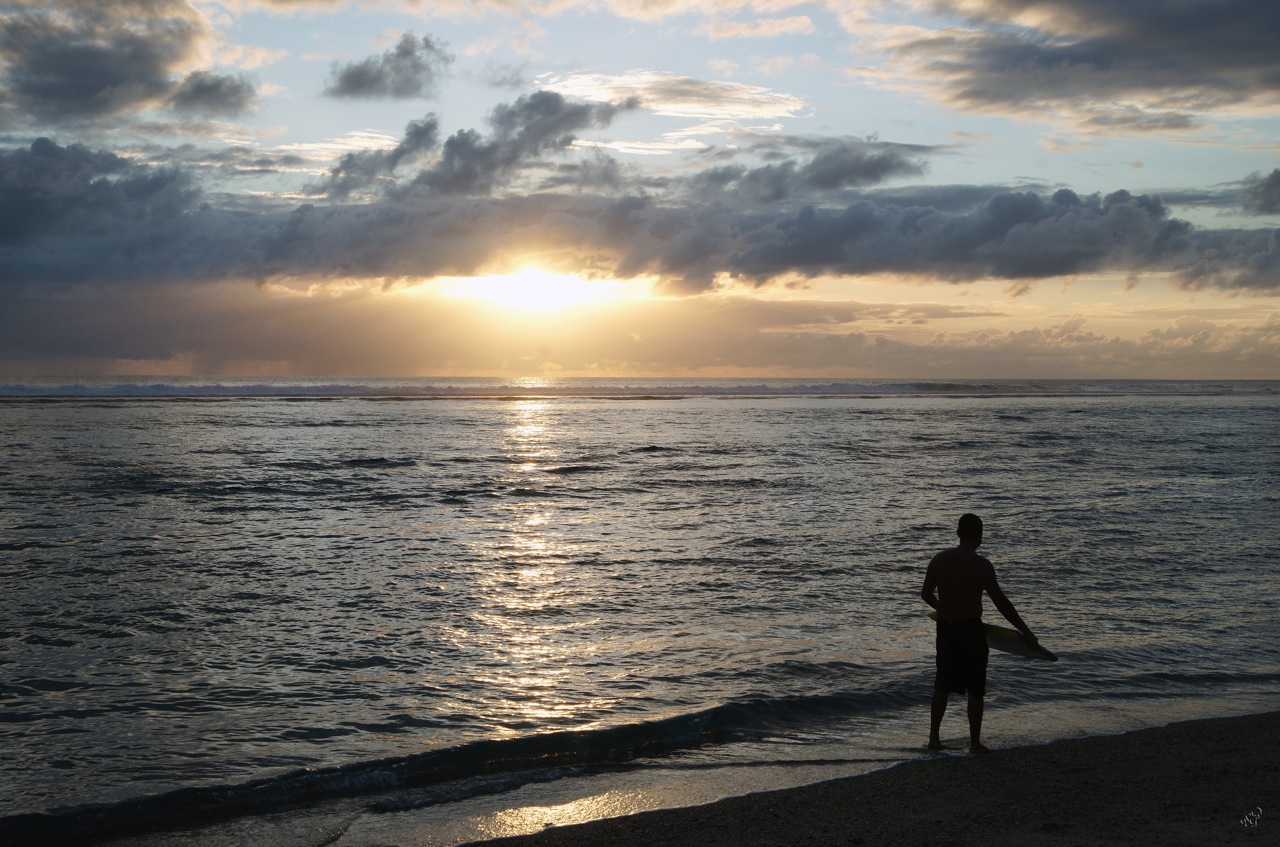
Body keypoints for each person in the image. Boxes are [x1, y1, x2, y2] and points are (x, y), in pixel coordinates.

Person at [920, 513, 1038, 753]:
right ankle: (974, 743)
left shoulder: (939, 560)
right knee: (975, 687)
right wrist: (1025, 630)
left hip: (945, 628)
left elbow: (925, 594)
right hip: (970, 628)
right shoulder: (981, 565)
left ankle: (934, 739)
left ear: (957, 532)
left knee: (942, 684)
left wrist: (943, 609)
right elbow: (1000, 601)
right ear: (979, 536)